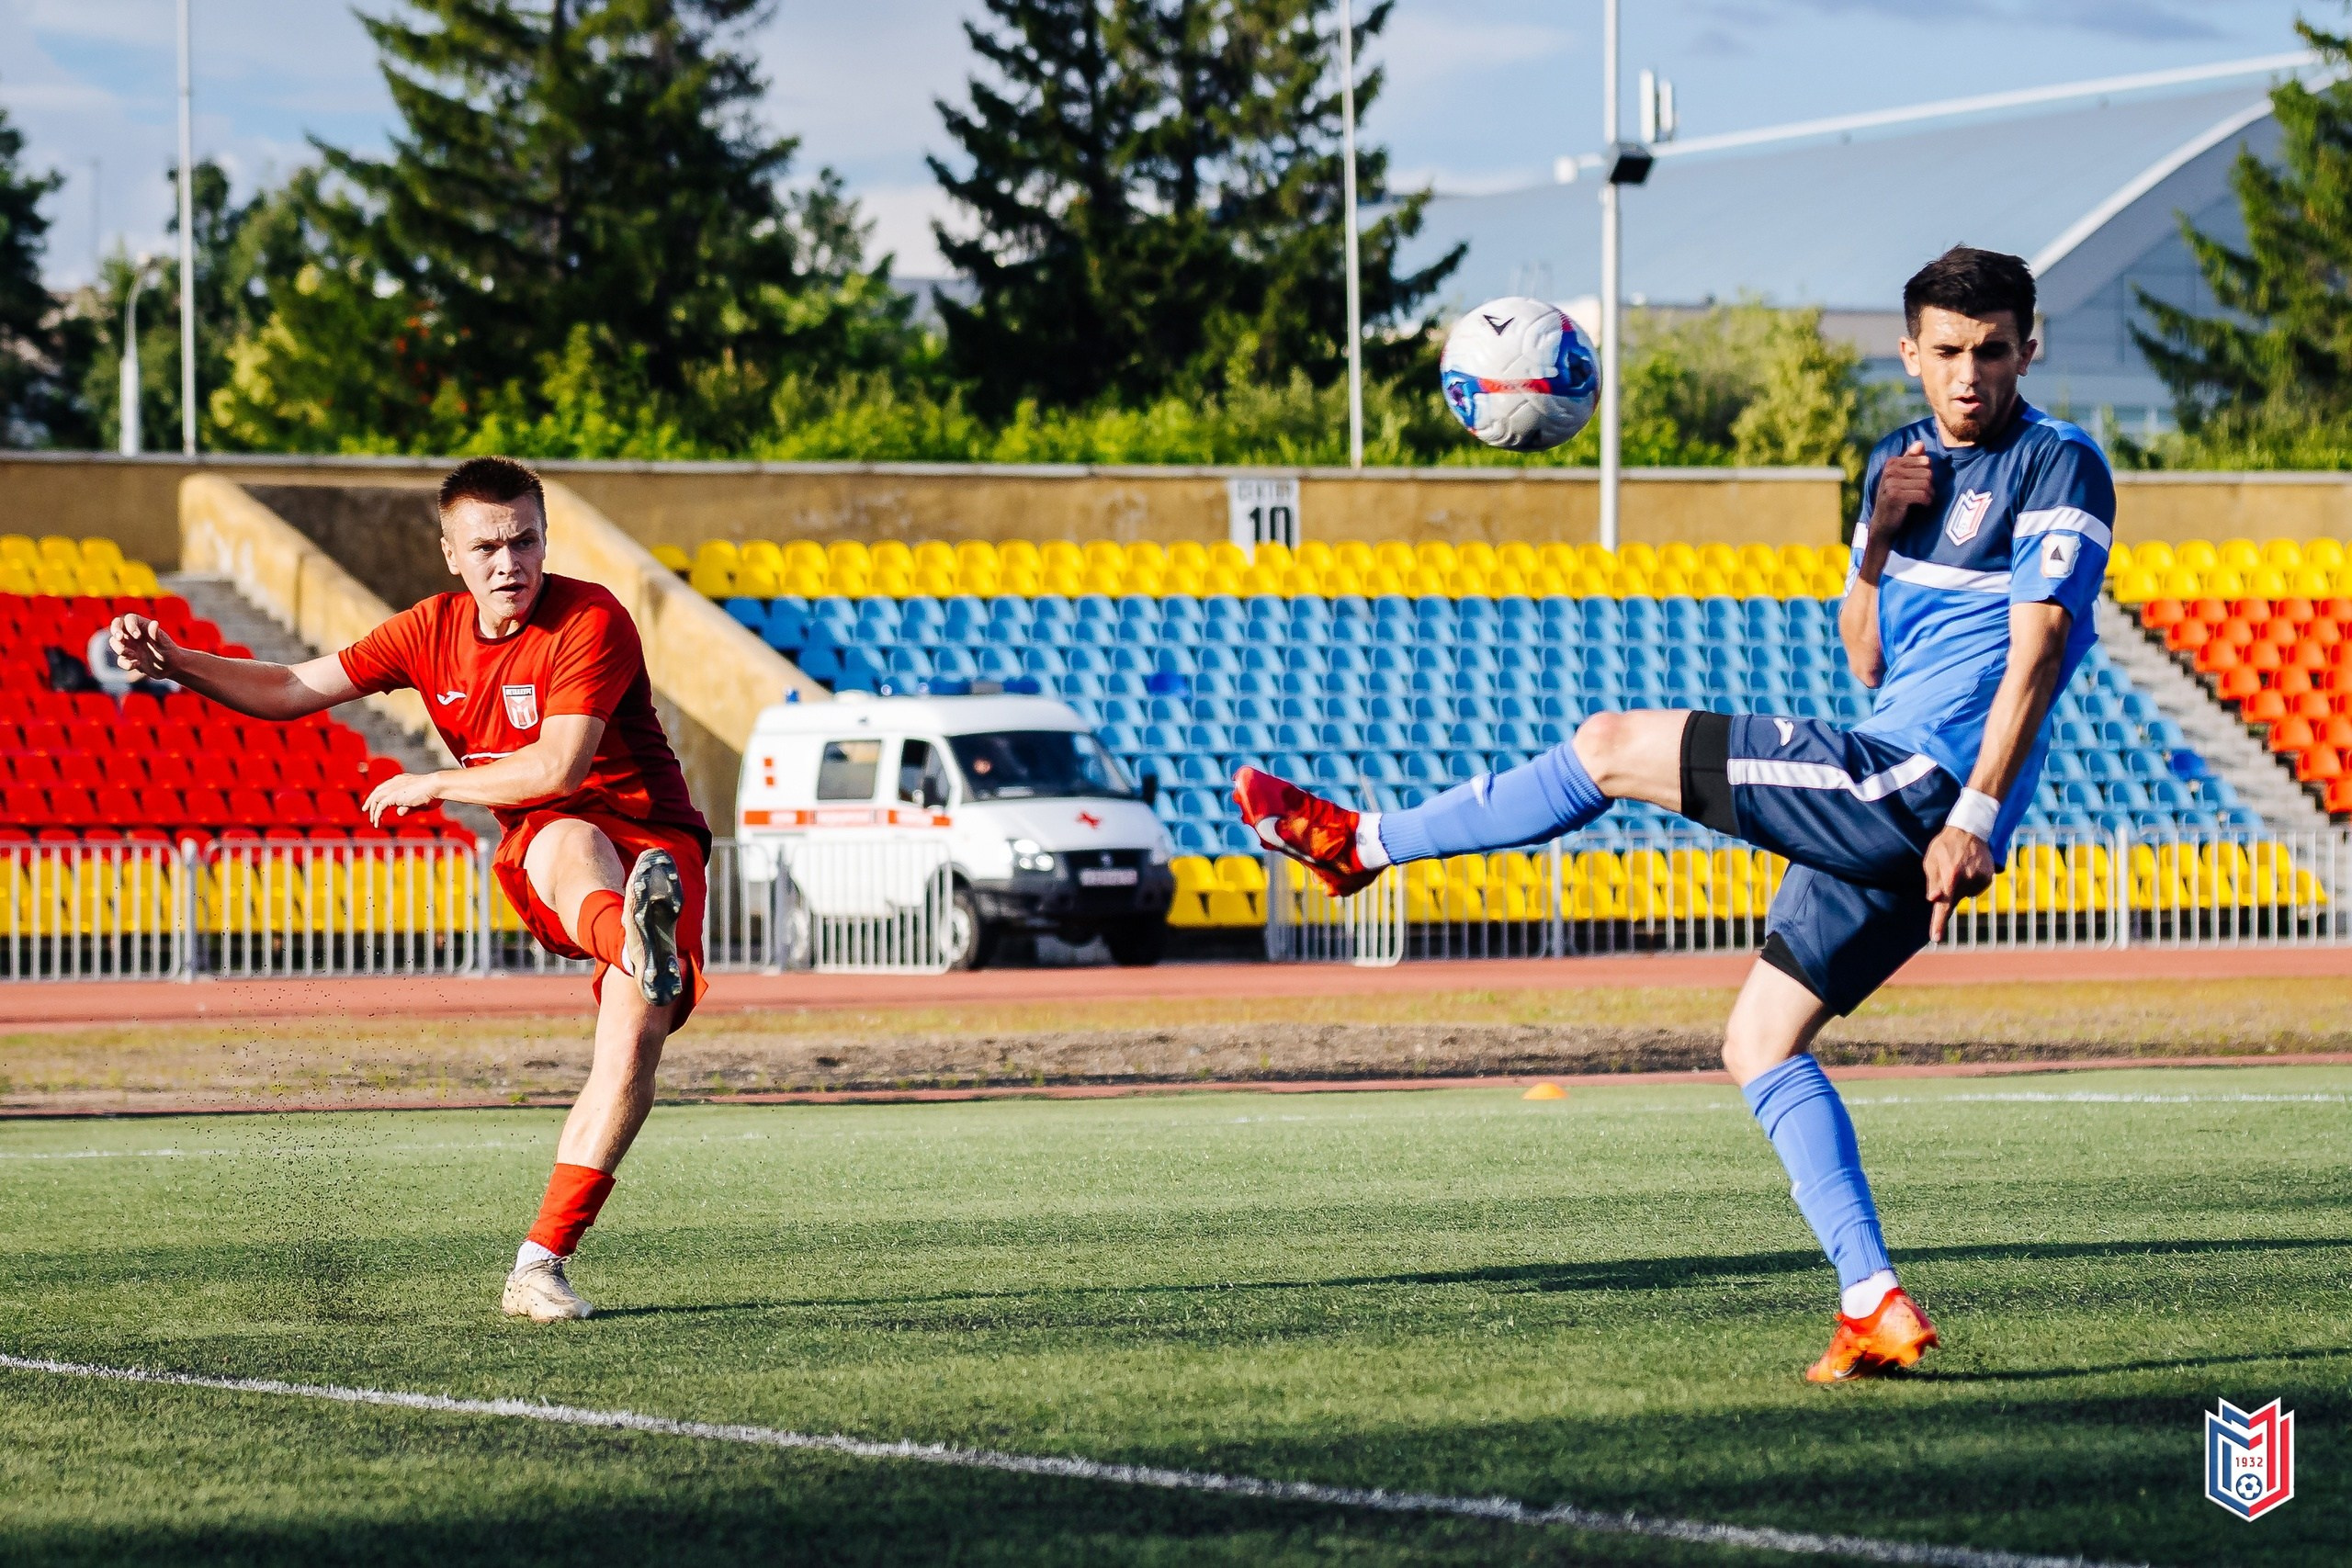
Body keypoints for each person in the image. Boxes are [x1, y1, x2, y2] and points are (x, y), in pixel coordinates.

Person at [1235, 246, 2114, 1382]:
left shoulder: (2057, 461)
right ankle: (1872, 1301)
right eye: (1946, 351)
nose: (1968, 375)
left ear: (2026, 350)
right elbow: (1866, 658)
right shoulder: (1895, 464)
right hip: (1896, 784)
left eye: (1991, 351)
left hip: (1921, 791)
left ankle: (1358, 845)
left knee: (1607, 745)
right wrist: (1875, 538)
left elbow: (2038, 649)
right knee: (1757, 1044)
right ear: (1908, 352)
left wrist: (1976, 815)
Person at [108, 456, 711, 1325]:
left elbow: (559, 763)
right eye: (488, 547)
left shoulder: (592, 618)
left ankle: (538, 1266)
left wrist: (436, 782)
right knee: (572, 838)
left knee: (631, 1046)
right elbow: (290, 686)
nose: (510, 562)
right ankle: (637, 946)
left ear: (546, 541)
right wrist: (175, 660)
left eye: (526, 541)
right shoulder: (428, 630)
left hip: (656, 843)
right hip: (558, 841)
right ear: (450, 554)